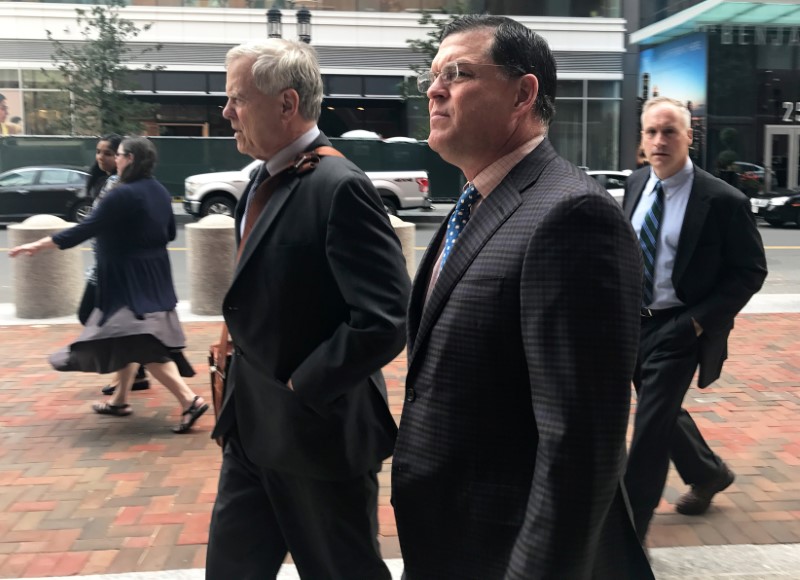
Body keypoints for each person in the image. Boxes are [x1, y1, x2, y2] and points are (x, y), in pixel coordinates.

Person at [391, 15, 653, 579]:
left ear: (523, 93)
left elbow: (580, 445)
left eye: (458, 74)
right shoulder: (475, 201)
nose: (435, 89)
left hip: (504, 550)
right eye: (431, 76)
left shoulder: (572, 215)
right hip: (447, 537)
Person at [205, 39, 410, 579]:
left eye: (237, 99)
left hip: (317, 438)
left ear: (286, 104)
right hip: (250, 430)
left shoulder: (340, 186)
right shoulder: (257, 181)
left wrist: (301, 389)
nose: (226, 112)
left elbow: (385, 318)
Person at [623, 96, 767, 541]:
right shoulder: (636, 184)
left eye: (670, 131)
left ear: (690, 136)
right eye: (651, 132)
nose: (660, 140)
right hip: (631, 324)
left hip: (680, 327)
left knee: (648, 427)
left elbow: (750, 270)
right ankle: (708, 473)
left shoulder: (722, 200)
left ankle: (626, 535)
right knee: (661, 410)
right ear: (642, 140)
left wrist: (698, 324)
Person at [9, 137, 208, 434]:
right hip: (155, 274)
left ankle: (189, 400)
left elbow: (87, 228)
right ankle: (119, 400)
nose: (115, 159)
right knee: (127, 336)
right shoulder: (159, 191)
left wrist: (39, 244)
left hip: (126, 278)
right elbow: (168, 233)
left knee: (141, 341)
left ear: (130, 159)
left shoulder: (122, 194)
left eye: (119, 155)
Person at [77, 134, 150, 394]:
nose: (101, 157)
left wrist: (56, 240)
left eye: (108, 153)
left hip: (113, 266)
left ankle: (130, 369)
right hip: (105, 263)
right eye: (98, 152)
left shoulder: (121, 185)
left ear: (126, 157)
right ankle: (133, 372)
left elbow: (97, 222)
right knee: (116, 320)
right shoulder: (106, 181)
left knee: (90, 314)